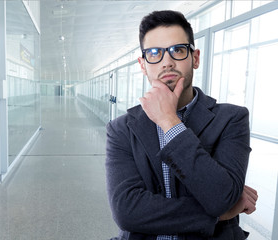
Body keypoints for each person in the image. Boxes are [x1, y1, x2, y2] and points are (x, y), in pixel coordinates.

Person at [105, 10, 258, 240]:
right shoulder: (121, 128)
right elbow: (128, 212)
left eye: (177, 50)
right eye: (154, 53)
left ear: (194, 58)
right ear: (143, 64)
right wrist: (216, 215)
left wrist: (169, 122)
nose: (167, 62)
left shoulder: (232, 119)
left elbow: (220, 196)